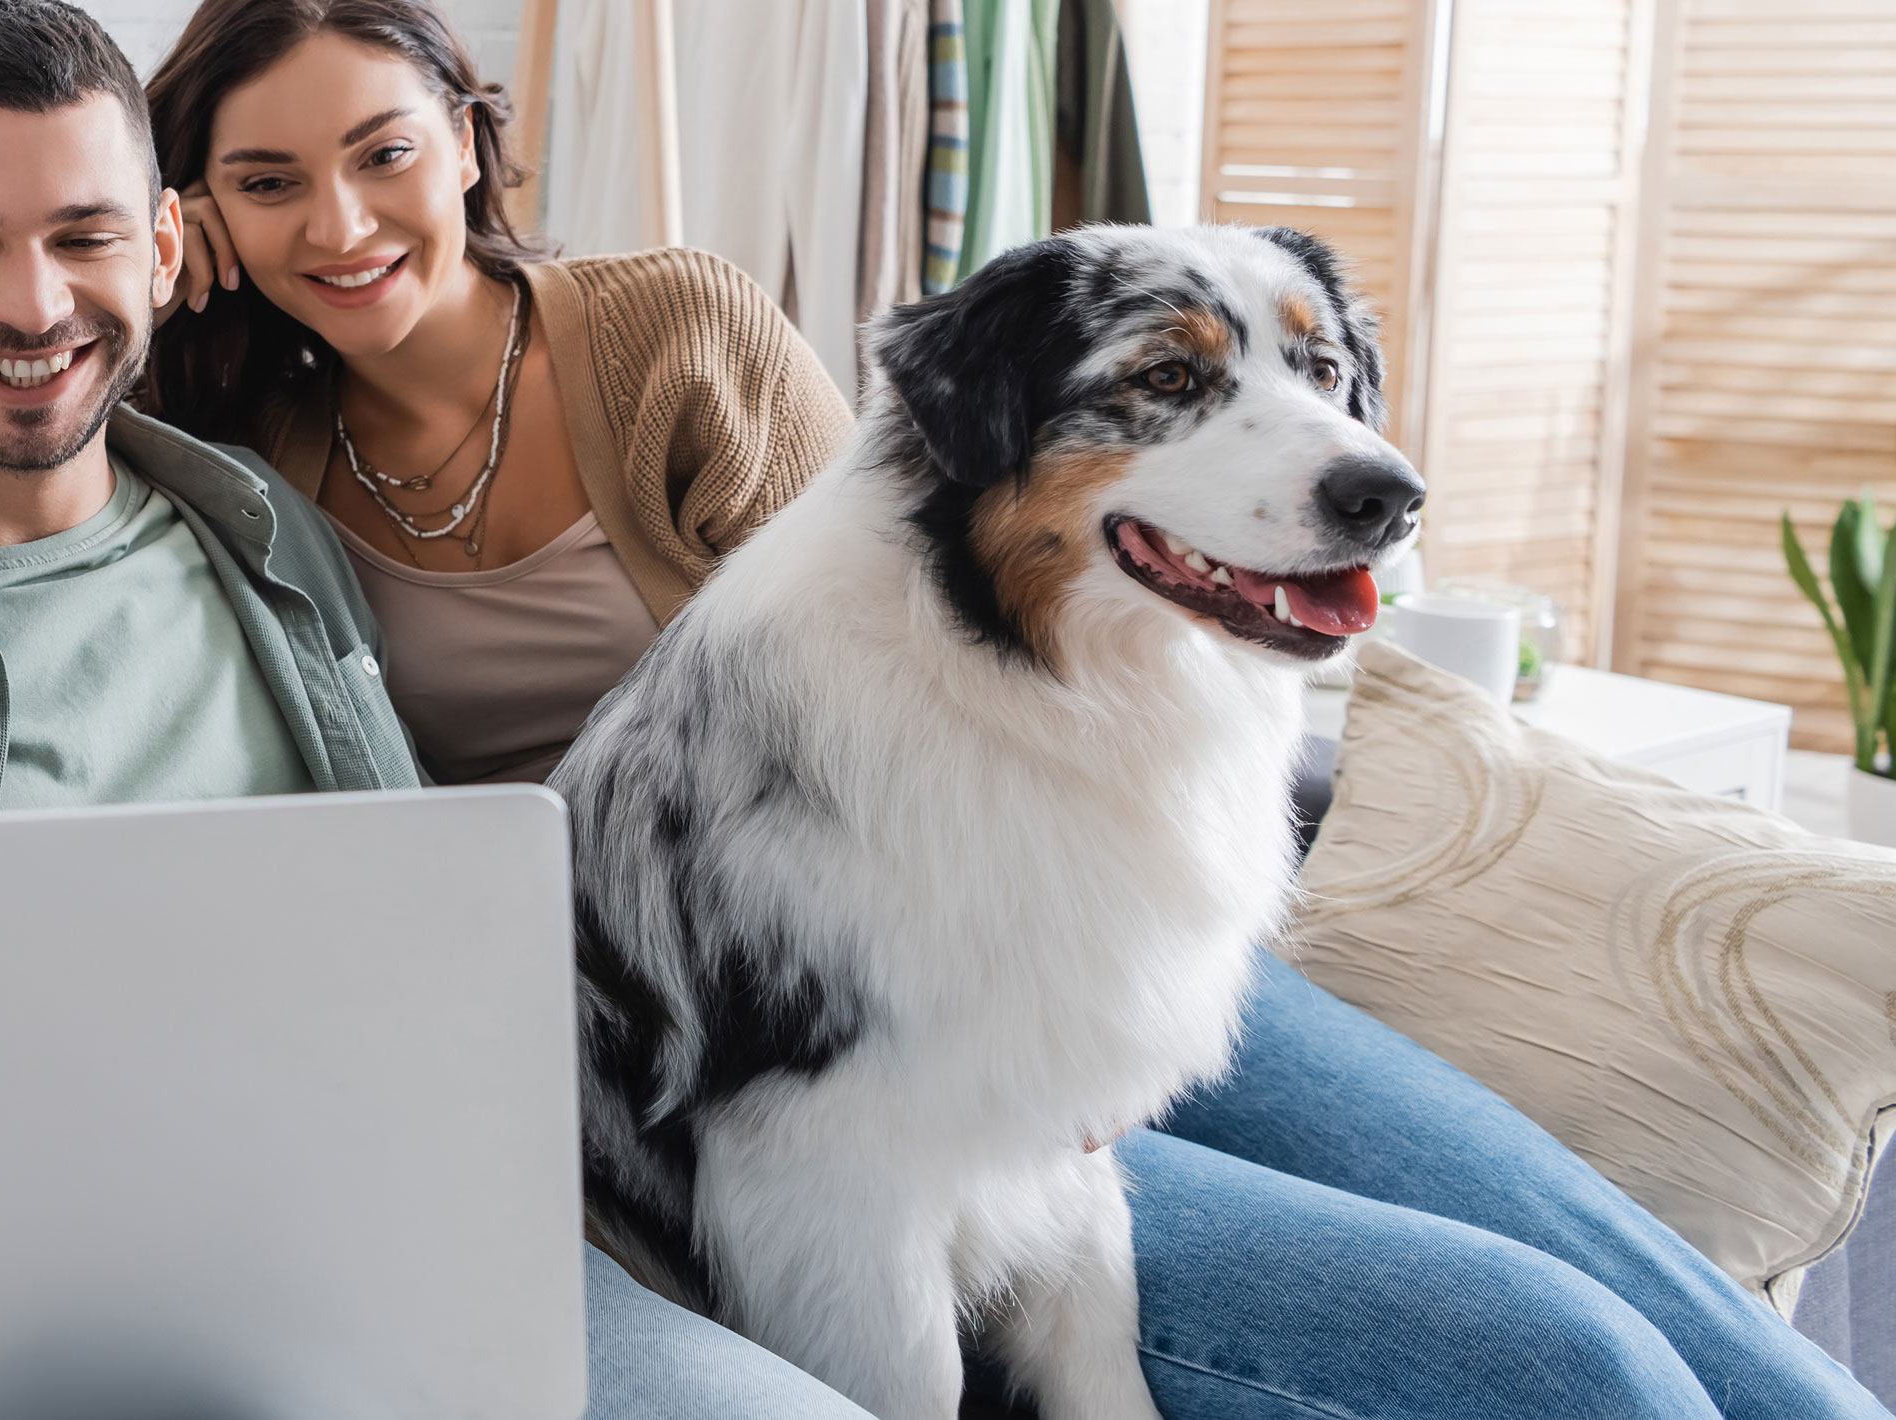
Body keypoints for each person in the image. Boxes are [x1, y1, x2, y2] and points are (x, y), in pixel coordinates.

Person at [135, 1, 1891, 1417]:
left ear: (469, 133)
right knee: (1544, 1351)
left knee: (1584, 1241)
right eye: (264, 180)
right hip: (776, 989)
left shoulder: (662, 328)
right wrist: (130, 279)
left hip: (1031, 886)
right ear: (194, 209)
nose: (342, 220)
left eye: (383, 151)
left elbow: (901, 610)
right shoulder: (224, 462)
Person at [0, 3, 862, 1417]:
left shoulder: (281, 544)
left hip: (370, 1272)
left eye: (83, 236)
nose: (33, 303)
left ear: (166, 249)